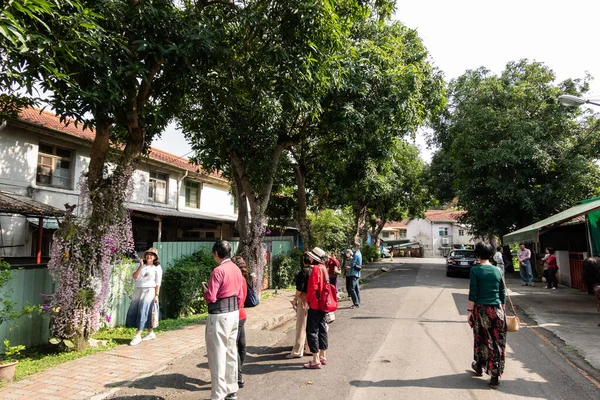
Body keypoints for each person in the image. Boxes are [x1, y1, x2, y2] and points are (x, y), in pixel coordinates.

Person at [204, 240, 245, 400]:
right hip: (234, 313)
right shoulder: (236, 269)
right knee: (231, 352)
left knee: (217, 355)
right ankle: (231, 390)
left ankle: (218, 394)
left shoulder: (218, 271)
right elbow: (241, 295)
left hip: (219, 315)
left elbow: (211, 297)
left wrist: (206, 292)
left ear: (216, 253)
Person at [468, 242, 507, 389]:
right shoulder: (498, 270)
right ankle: (495, 375)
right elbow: (502, 292)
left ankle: (479, 366)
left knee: (481, 339)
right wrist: (502, 310)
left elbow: (473, 293)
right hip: (497, 310)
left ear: (477, 254)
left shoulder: (475, 270)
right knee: (497, 342)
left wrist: (469, 312)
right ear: (491, 254)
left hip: (481, 310)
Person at [126, 247, 162, 346]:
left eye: (151, 255)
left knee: (143, 310)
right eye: (147, 254)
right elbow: (134, 277)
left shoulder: (157, 267)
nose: (149, 256)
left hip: (150, 290)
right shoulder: (141, 265)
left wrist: (156, 295)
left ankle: (138, 335)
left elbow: (158, 283)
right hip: (139, 290)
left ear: (155, 257)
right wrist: (140, 266)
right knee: (139, 310)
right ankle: (151, 332)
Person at [304, 250, 329, 369]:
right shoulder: (324, 268)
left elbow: (313, 287)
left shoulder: (315, 269)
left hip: (315, 304)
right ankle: (323, 356)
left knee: (312, 330)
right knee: (322, 328)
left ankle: (315, 359)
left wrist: (308, 301)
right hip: (324, 303)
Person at [286, 256, 312, 358]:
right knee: (310, 325)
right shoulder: (315, 271)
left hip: (304, 300)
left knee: (301, 326)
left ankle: (298, 350)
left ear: (303, 261)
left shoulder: (303, 273)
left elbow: (299, 289)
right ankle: (310, 348)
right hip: (313, 301)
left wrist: (295, 299)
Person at [231, 256, 249, 389]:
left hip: (235, 315)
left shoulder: (236, 279)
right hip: (242, 314)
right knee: (241, 345)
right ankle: (239, 372)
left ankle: (238, 377)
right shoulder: (243, 278)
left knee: (233, 346)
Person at [346, 242, 362, 309]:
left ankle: (356, 303)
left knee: (351, 289)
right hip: (357, 273)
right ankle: (358, 302)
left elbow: (352, 263)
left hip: (353, 273)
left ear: (356, 247)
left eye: (354, 247)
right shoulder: (359, 253)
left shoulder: (356, 254)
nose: (353, 248)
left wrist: (349, 267)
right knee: (356, 289)